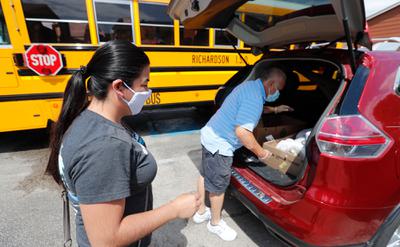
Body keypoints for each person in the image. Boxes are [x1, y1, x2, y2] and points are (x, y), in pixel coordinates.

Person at [46, 40, 200, 247]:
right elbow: (106, 240)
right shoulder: (103, 146)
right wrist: (174, 209)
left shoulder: (92, 118)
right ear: (119, 86)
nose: (148, 90)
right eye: (144, 84)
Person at [193, 67, 288, 241]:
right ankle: (215, 223)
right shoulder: (254, 98)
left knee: (205, 174)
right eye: (278, 89)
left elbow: (250, 108)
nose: (277, 94)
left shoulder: (250, 86)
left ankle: (200, 212)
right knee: (218, 186)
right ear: (271, 83)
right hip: (220, 145)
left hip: (210, 134)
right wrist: (262, 153)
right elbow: (243, 132)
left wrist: (275, 110)